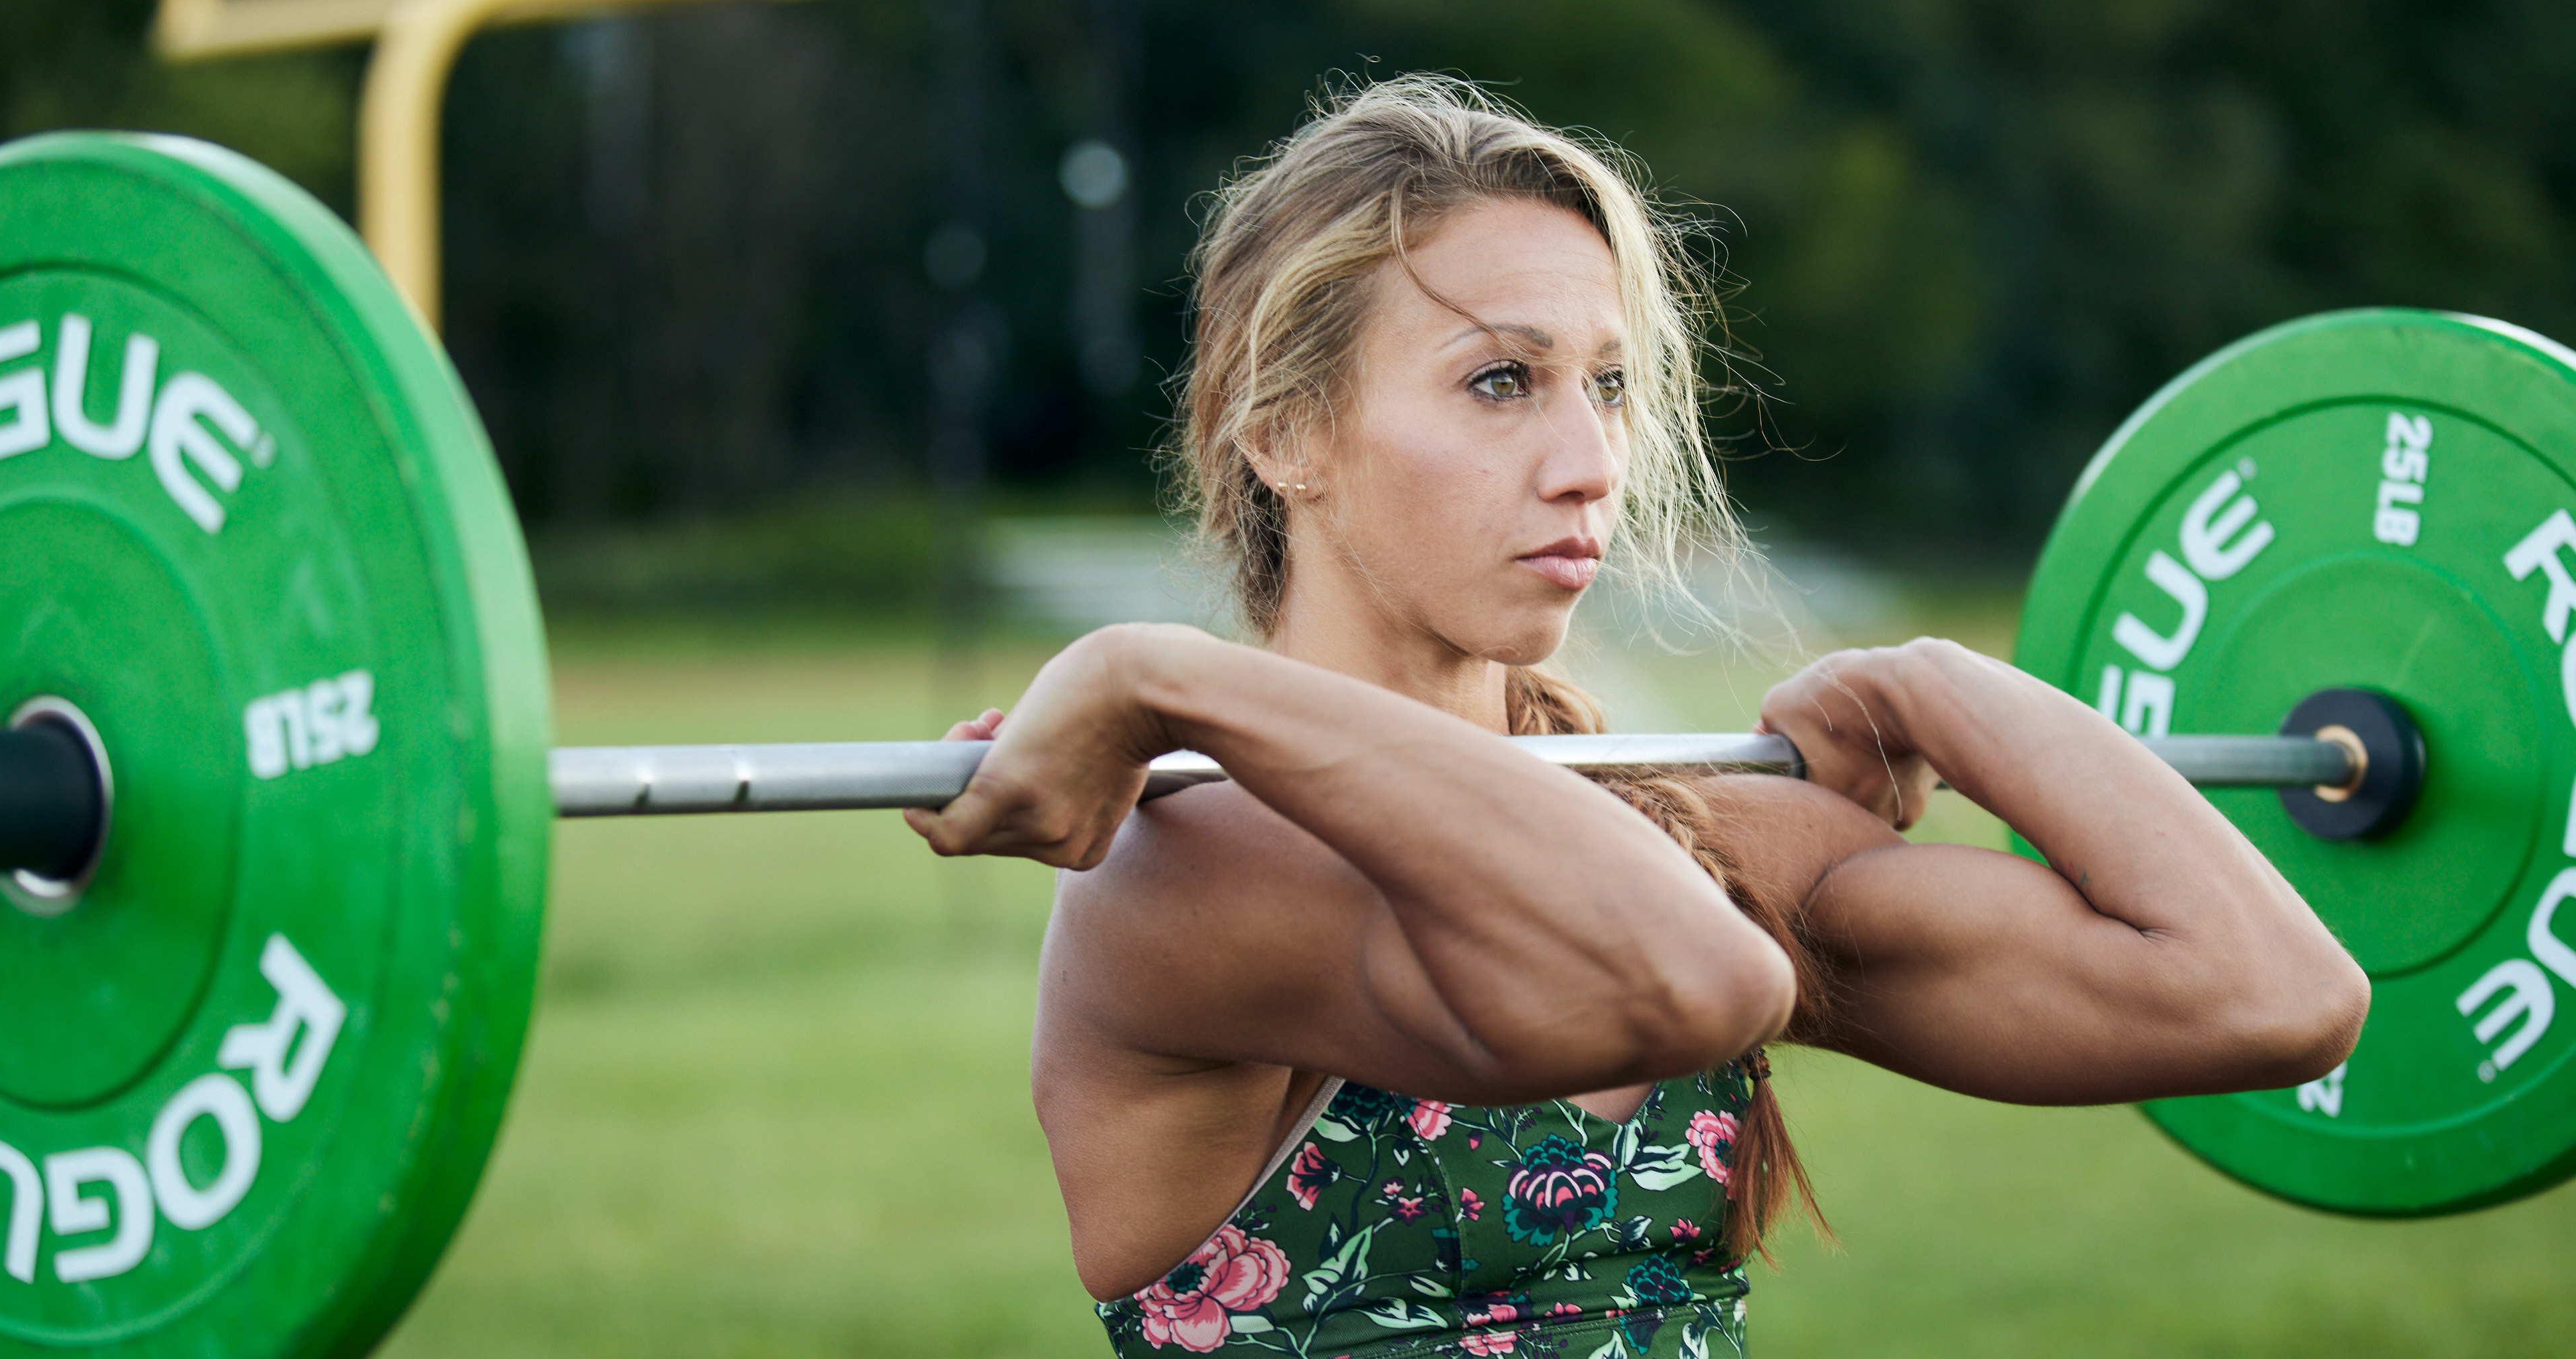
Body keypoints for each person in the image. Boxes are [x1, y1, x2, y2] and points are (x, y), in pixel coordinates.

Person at [907, 76, 2367, 1359]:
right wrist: (1171, 680)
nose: (1588, 460)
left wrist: (1937, 683)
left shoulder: (1690, 829)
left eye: (1606, 385)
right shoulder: (1188, 873)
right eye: (1500, 383)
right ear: (1283, 433)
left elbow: (2272, 997)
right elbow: (1688, 985)